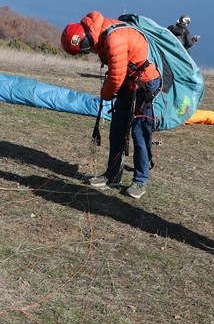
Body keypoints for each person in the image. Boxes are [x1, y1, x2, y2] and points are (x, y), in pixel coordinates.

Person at [61, 12, 162, 198]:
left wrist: (105, 94)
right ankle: (113, 174)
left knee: (139, 132)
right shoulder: (100, 31)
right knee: (117, 129)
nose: (89, 53)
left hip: (145, 84)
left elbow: (115, 78)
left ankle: (140, 181)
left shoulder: (114, 39)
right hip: (129, 81)